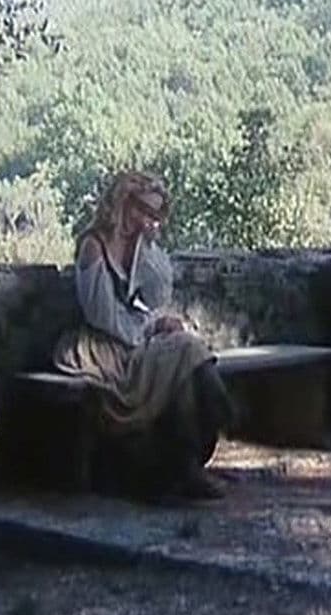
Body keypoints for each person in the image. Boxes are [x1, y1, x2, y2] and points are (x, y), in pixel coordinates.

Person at [52, 170, 234, 500]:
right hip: (101, 347)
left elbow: (155, 298)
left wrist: (149, 254)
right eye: (145, 211)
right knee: (184, 351)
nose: (150, 221)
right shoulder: (94, 246)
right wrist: (149, 330)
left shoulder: (139, 249)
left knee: (182, 354)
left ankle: (186, 464)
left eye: (156, 214)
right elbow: (103, 316)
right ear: (125, 204)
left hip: (131, 337)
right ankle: (202, 434)